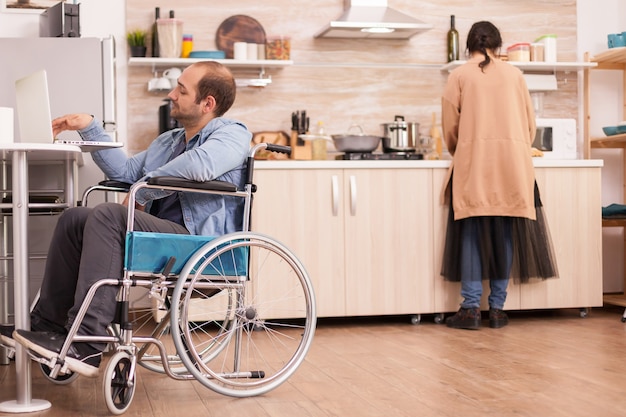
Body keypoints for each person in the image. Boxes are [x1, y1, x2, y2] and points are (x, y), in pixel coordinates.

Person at [0, 61, 251, 376]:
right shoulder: (169, 141)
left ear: (208, 103)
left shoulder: (232, 134)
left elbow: (200, 166)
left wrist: (141, 193)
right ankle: (47, 327)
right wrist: (89, 126)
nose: (172, 94)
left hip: (200, 244)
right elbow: (125, 172)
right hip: (163, 238)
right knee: (75, 218)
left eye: (182, 90)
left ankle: (88, 343)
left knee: (109, 214)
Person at [440, 21, 558, 330]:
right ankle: (497, 308)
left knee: (470, 232)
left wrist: (464, 149)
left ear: (470, 45)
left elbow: (450, 129)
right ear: (498, 45)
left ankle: (469, 309)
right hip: (512, 165)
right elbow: (529, 126)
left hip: (474, 164)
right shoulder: (515, 75)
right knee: (506, 232)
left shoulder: (459, 75)